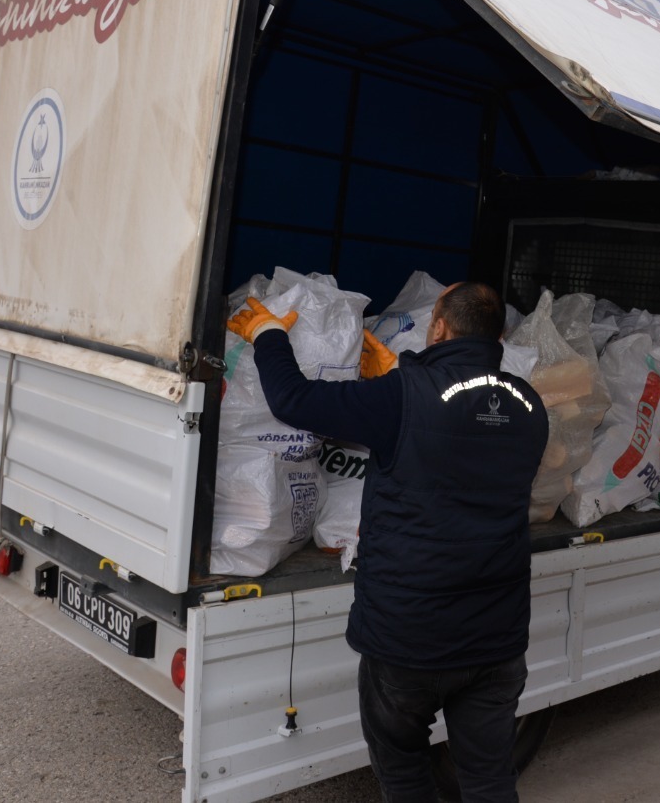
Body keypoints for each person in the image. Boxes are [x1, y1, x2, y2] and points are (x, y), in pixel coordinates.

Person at [228, 281, 549, 803]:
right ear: (500, 335)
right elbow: (461, 435)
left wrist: (267, 333)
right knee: (490, 778)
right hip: (496, 635)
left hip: (409, 639)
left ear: (439, 327)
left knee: (404, 773)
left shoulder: (402, 398)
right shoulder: (529, 406)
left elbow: (294, 399)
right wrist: (402, 381)